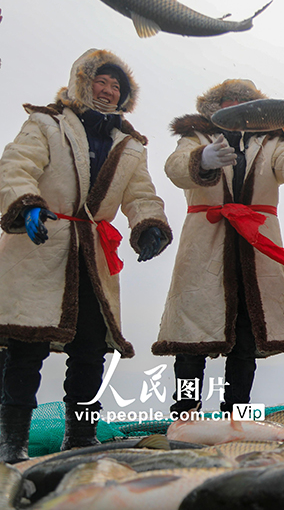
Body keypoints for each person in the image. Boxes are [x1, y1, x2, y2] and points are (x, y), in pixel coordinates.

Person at [0, 49, 172, 462]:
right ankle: (12, 442)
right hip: (42, 242)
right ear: (82, 81)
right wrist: (27, 204)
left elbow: (141, 193)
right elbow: (16, 165)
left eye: (117, 86)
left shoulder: (130, 145)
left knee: (91, 348)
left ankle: (80, 436)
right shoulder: (46, 122)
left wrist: (148, 224)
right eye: (102, 81)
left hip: (92, 252)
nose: (109, 91)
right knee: (26, 345)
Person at [154, 79, 284, 413]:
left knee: (247, 338)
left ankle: (237, 412)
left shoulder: (271, 141)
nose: (233, 108)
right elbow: (174, 167)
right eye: (226, 103)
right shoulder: (195, 135)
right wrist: (202, 158)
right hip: (206, 243)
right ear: (214, 110)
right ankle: (185, 412)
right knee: (190, 340)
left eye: (241, 104)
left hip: (256, 247)